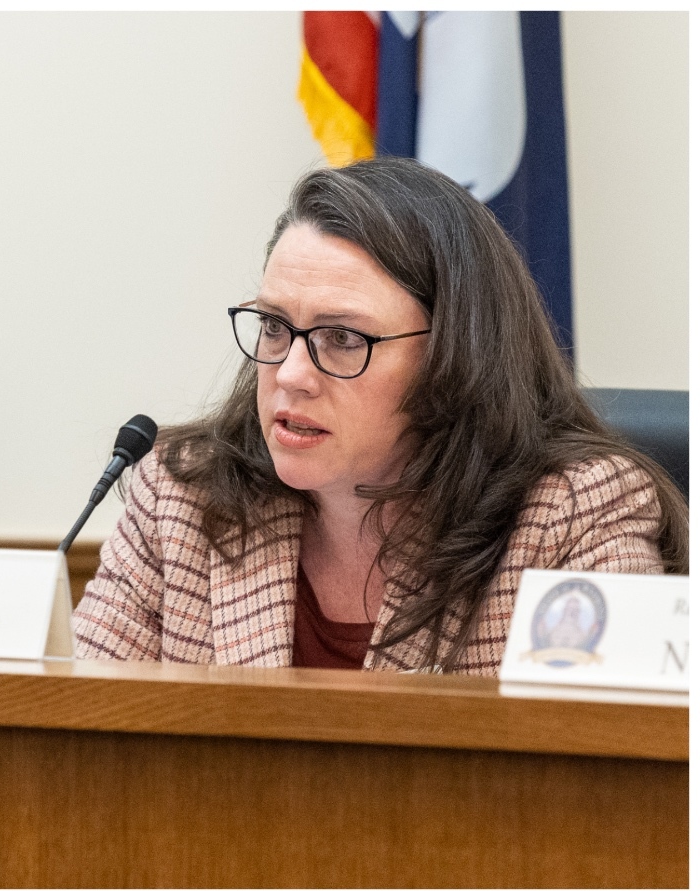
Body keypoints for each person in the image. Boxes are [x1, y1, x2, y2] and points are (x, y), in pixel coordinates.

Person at [74, 156, 686, 675]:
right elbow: (78, 742)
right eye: (273, 326)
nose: (289, 374)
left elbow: (602, 784)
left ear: (453, 354)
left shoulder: (575, 516)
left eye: (342, 337)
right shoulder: (181, 498)